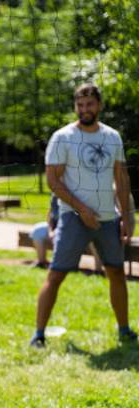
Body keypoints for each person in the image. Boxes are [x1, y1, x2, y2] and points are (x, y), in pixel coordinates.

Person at [31, 83, 137, 348]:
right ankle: (39, 334)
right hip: (73, 218)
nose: (84, 109)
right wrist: (81, 209)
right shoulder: (62, 137)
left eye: (89, 104)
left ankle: (124, 330)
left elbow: (121, 178)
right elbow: (53, 181)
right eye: (80, 104)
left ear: (99, 105)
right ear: (75, 106)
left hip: (107, 219)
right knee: (56, 275)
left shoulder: (112, 137)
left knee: (116, 273)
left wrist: (127, 215)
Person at [29, 195, 60, 268]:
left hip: (67, 228)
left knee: (59, 235)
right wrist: (50, 231)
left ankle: (60, 265)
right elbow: (49, 215)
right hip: (54, 228)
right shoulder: (55, 196)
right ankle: (42, 261)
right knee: (37, 230)